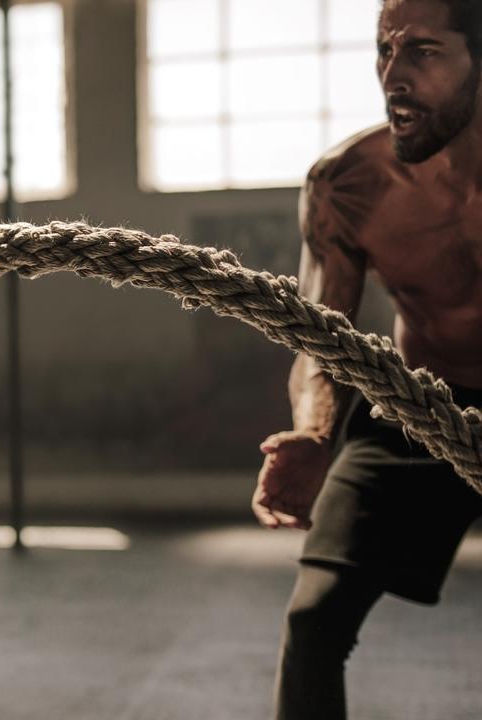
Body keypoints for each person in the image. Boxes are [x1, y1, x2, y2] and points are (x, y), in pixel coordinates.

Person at [252, 1, 482, 717]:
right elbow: (322, 333)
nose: (393, 75)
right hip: (420, 406)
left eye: (422, 51)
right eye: (384, 50)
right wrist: (317, 432)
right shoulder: (348, 184)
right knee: (313, 621)